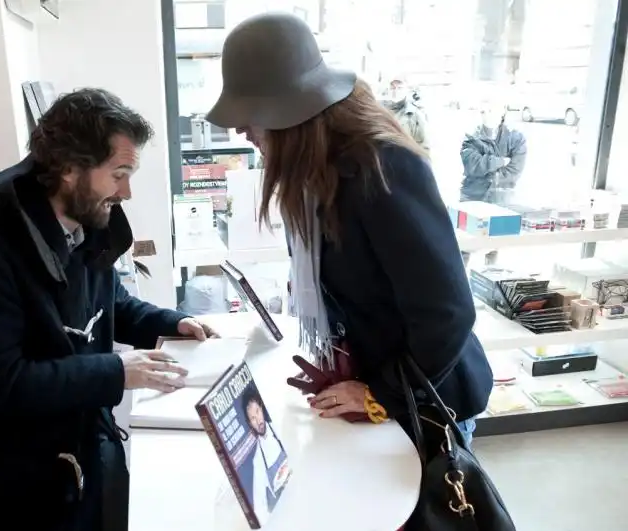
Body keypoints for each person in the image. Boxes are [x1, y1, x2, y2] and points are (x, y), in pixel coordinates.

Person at [0, 88, 216, 531]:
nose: (127, 191)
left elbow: (110, 303)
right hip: (8, 478)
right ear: (68, 168)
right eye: (119, 173)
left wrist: (172, 322)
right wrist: (117, 371)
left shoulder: (86, 223)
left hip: (77, 439)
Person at [206, 13, 492, 451]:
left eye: (249, 115)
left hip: (424, 402)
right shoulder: (311, 177)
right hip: (376, 384)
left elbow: (446, 313)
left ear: (290, 111)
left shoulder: (384, 168)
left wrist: (382, 394)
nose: (241, 130)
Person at [460, 101, 527, 205]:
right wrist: (501, 161)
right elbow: (473, 166)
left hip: (503, 199)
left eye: (491, 110)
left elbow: (515, 170)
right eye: (483, 112)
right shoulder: (471, 138)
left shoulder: (516, 138)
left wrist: (488, 174)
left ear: (502, 111)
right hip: (472, 198)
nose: (487, 115)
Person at [239, 386, 288, 522]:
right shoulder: (258, 460)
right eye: (253, 418)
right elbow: (260, 506)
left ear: (262, 408)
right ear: (250, 424)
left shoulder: (279, 425)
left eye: (258, 412)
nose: (258, 420)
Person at [383, 78, 430, 152]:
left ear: (407, 90)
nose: (395, 91)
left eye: (400, 88)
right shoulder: (380, 112)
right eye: (393, 88)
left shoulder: (415, 114)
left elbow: (424, 147)